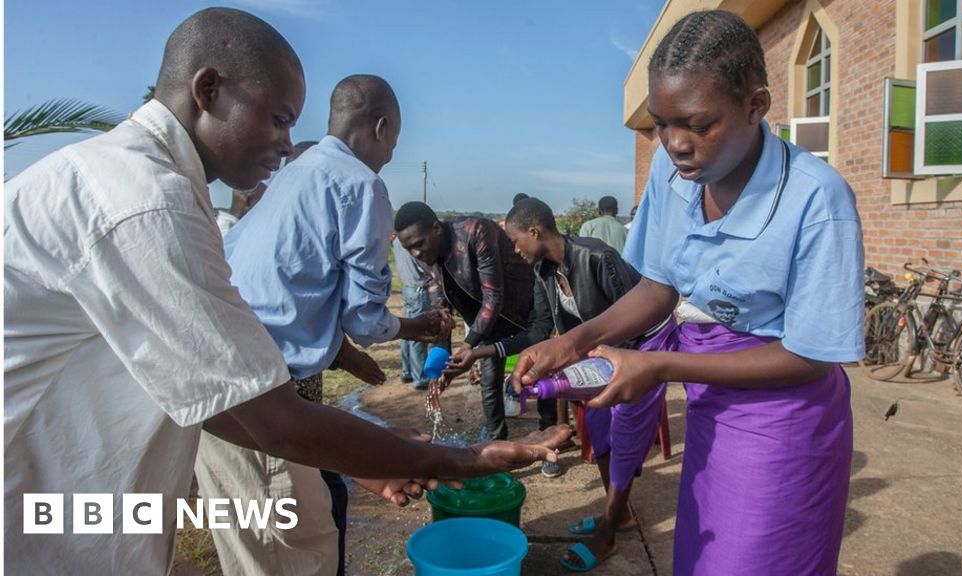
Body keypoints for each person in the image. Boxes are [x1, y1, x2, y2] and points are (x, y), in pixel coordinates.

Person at [3, 9, 568, 574]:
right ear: (207, 90)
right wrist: (462, 458)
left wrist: (366, 452)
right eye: (278, 120)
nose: (286, 144)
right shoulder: (145, 206)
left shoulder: (147, 182)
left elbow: (207, 395)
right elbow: (271, 414)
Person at [514, 10, 863, 576]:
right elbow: (660, 286)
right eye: (660, 124)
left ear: (756, 105)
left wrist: (661, 367)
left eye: (698, 124)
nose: (676, 144)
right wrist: (574, 341)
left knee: (754, 560)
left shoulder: (816, 199)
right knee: (702, 555)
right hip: (709, 401)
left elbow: (812, 353)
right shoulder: (671, 174)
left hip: (782, 418)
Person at [195, 75, 456, 575]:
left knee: (285, 540)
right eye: (394, 143)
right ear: (381, 128)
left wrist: (363, 451)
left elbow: (282, 290)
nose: (389, 156)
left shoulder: (291, 176)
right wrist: (415, 327)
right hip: (265, 400)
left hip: (232, 394)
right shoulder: (361, 184)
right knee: (291, 556)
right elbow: (365, 319)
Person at [447, 197, 676, 570]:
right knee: (598, 427)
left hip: (645, 346)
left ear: (535, 231)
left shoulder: (597, 257)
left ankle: (607, 534)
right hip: (602, 352)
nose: (515, 250)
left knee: (625, 431)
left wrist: (600, 368)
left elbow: (636, 315)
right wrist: (483, 353)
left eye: (516, 241)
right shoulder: (544, 272)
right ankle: (618, 514)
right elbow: (540, 330)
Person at [393, 202, 559, 447]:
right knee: (489, 382)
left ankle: (550, 434)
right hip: (486, 323)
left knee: (538, 372)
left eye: (418, 244)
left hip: (523, 311)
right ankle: (496, 441)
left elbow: (493, 296)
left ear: (436, 229)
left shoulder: (475, 231)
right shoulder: (427, 255)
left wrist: (468, 345)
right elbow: (441, 306)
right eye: (408, 249)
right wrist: (441, 362)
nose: (415, 253)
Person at [393, 237, 434, 390]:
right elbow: (424, 264)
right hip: (419, 288)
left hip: (408, 287)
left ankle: (407, 371)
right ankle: (421, 378)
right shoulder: (413, 240)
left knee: (407, 331)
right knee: (418, 333)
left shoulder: (397, 240)